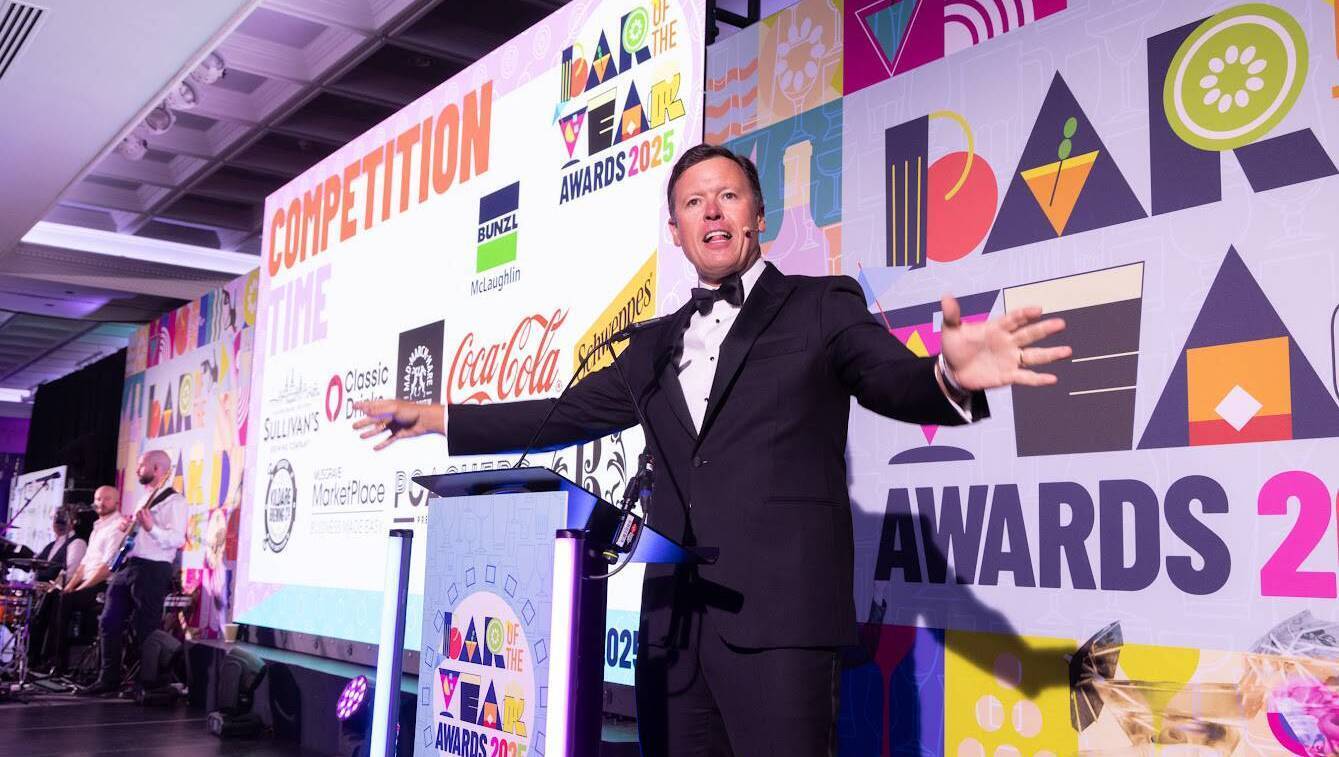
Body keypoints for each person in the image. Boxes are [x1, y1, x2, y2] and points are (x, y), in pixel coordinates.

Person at [353, 144, 1070, 755]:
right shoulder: (651, 346)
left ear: (758, 216)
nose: (712, 212)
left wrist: (947, 377)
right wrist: (438, 417)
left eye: (728, 196)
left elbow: (888, 378)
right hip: (672, 631)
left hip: (781, 626)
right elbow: (560, 415)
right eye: (694, 203)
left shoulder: (821, 304)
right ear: (676, 231)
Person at [80, 451, 186, 696]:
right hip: (129, 565)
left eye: (141, 465)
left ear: (157, 468)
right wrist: (127, 528)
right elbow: (138, 535)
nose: (137, 469)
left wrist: (151, 527)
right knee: (108, 620)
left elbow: (177, 539)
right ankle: (108, 679)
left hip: (153, 567)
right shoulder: (145, 499)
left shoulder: (175, 501)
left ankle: (146, 683)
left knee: (146, 627)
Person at [32, 486, 122, 674]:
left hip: (103, 585)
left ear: (117, 502)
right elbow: (83, 565)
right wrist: (69, 586)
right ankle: (42, 658)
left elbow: (107, 568)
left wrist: (80, 588)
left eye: (107, 499)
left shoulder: (117, 527)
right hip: (87, 581)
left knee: (64, 600)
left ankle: (58, 663)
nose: (101, 503)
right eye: (98, 499)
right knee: (57, 596)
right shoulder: (97, 527)